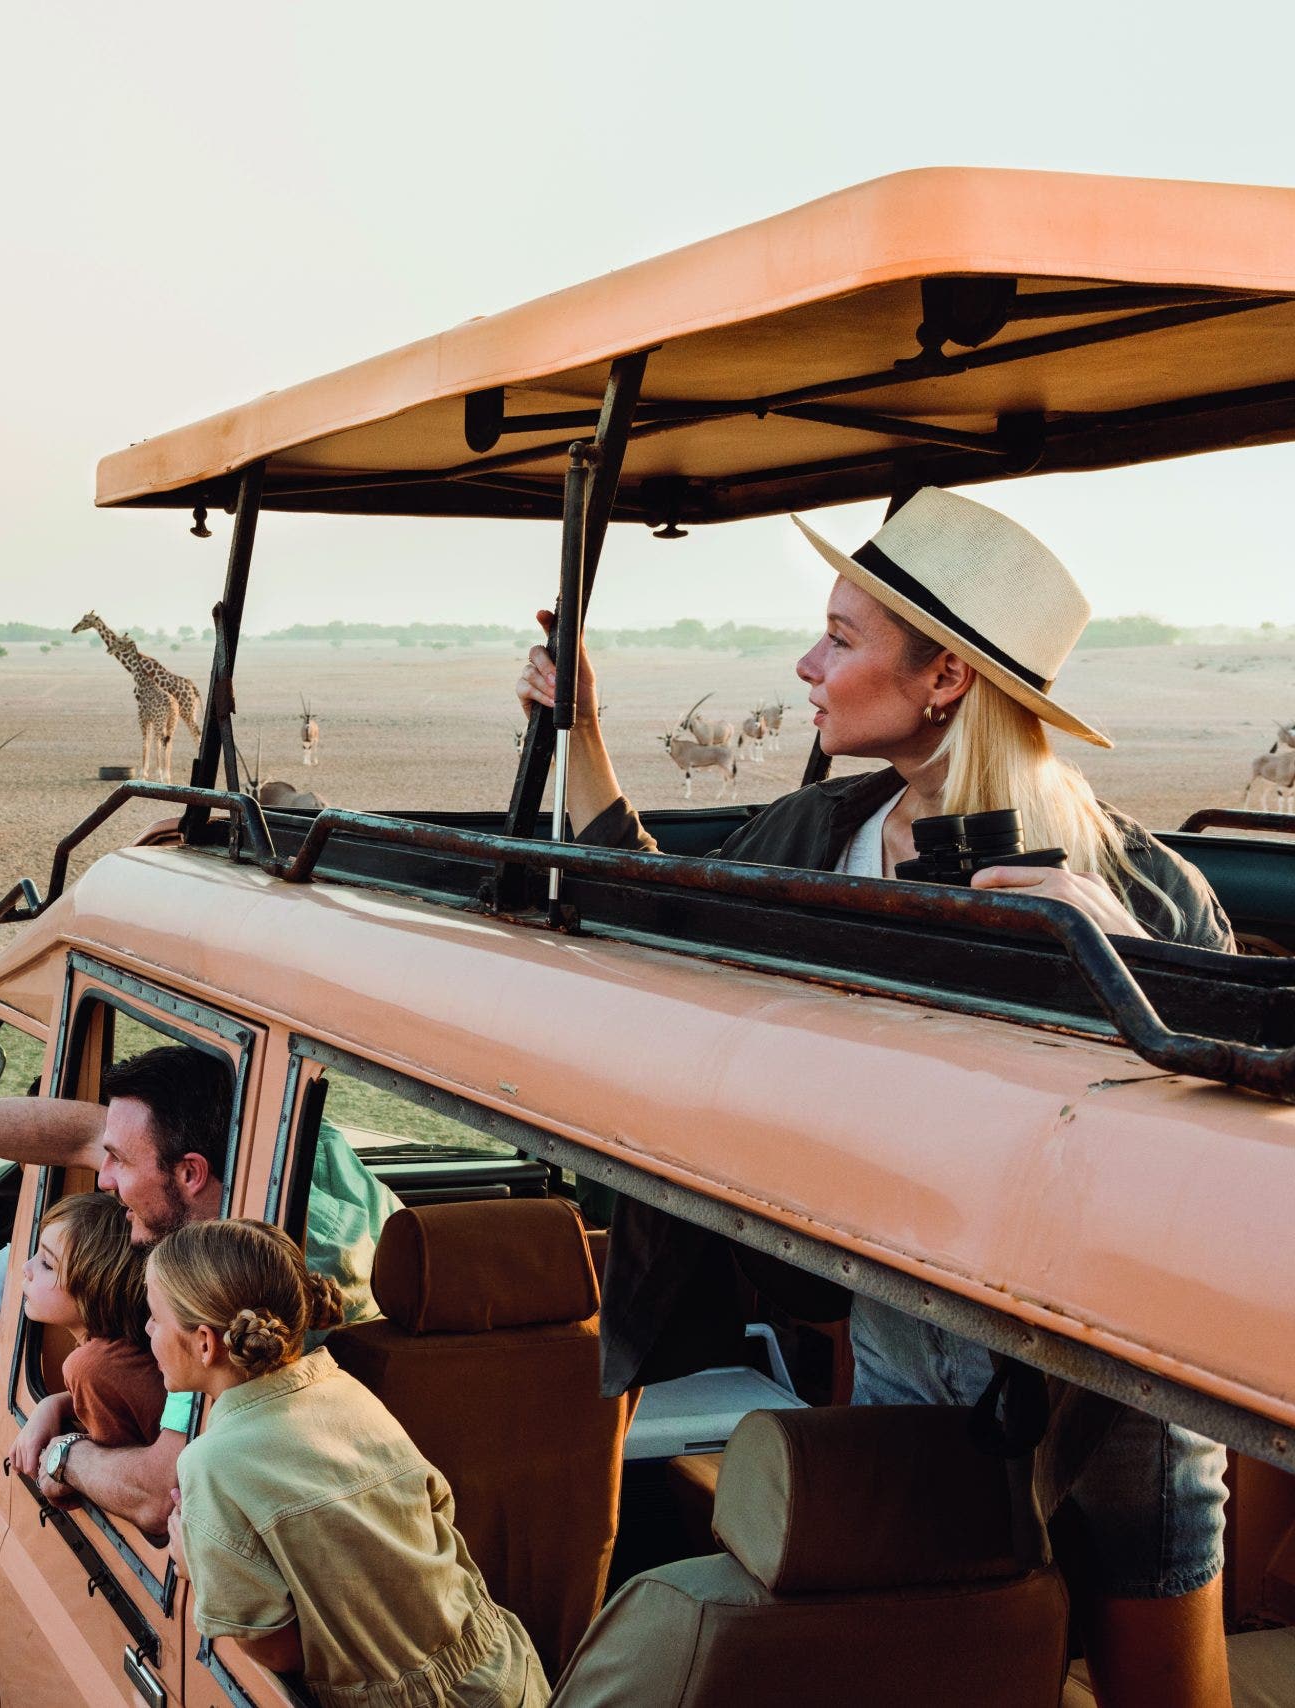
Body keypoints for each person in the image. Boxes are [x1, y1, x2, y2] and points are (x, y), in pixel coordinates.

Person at [515, 487, 1231, 1708]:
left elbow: (1231, 1132)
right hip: (908, 1338)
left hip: (1120, 1377)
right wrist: (580, 728)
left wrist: (1123, 957)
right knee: (945, 1673)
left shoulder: (1141, 887)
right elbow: (652, 911)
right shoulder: (815, 834)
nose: (807, 662)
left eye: (841, 637)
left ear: (944, 676)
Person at [0, 1042, 400, 1535]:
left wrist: (62, 1455)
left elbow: (162, 1490)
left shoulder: (220, 1298)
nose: (101, 1179)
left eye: (119, 1163)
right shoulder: (305, 1144)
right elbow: (76, 1132)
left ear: (190, 1172)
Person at [151, 1219, 549, 1708]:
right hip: (500, 1663)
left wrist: (198, 1561)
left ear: (206, 1343)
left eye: (154, 1319)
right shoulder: (344, 1390)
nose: (147, 1330)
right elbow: (435, 1509)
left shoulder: (210, 1463)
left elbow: (272, 1647)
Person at [9, 1193, 167, 1478]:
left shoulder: (91, 1366)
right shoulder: (127, 1352)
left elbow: (114, 1482)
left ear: (95, 1289)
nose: (27, 1268)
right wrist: (53, 1403)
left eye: (47, 1264)